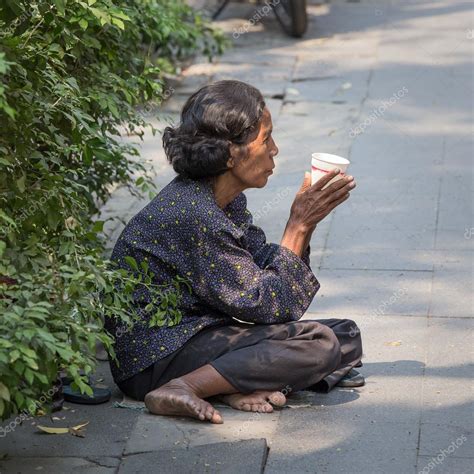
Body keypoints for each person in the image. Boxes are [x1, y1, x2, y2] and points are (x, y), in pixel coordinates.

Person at [106, 80, 363, 424]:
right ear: (230, 153)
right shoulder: (196, 214)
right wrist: (298, 225)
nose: (275, 149)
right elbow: (271, 306)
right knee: (321, 344)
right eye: (265, 138)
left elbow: (264, 265)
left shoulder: (223, 198)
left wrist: (307, 222)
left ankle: (233, 384)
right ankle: (183, 388)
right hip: (154, 358)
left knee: (346, 333)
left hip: (201, 334)